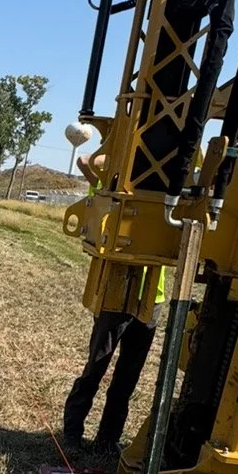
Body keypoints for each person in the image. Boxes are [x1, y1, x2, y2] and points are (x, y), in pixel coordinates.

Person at [62, 149, 166, 456]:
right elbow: (85, 161)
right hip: (114, 295)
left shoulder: (165, 199)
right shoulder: (111, 189)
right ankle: (72, 434)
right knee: (96, 367)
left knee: (127, 378)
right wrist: (123, 156)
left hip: (151, 299)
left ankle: (108, 440)